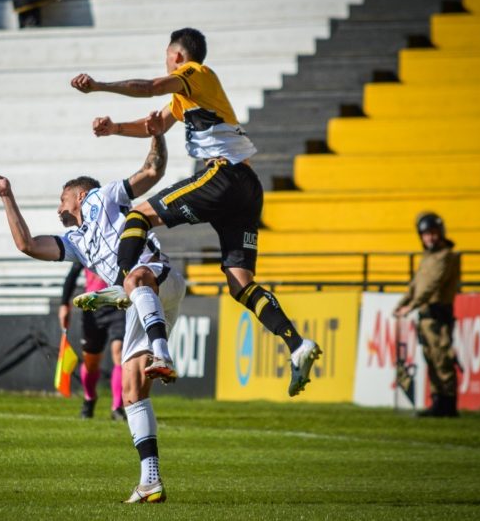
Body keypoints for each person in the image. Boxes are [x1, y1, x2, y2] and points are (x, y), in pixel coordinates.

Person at [70, 27, 321, 397]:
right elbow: (152, 124)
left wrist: (100, 86)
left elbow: (152, 86)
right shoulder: (185, 99)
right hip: (247, 190)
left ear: (177, 57)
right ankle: (297, 345)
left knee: (137, 215)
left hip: (225, 174)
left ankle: (120, 283)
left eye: (166, 57)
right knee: (240, 284)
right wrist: (114, 129)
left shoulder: (195, 75)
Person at [0, 128, 183, 503]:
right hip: (140, 302)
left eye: (61, 199)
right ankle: (150, 479)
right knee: (132, 392)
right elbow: (27, 245)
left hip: (158, 278)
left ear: (79, 194)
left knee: (134, 274)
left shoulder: (101, 198)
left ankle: (163, 355)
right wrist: (7, 195)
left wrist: (156, 134)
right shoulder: (77, 244)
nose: (58, 209)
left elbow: (152, 172)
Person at [394, 212, 461, 417]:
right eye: (426, 234)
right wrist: (402, 304)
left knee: (442, 358)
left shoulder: (446, 256)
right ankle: (437, 401)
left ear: (440, 233)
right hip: (426, 315)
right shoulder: (427, 257)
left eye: (433, 233)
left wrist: (411, 305)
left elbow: (431, 286)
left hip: (438, 314)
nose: (430, 238)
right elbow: (415, 285)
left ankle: (448, 404)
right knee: (430, 357)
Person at [60, 262, 126, 421]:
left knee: (119, 351)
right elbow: (73, 274)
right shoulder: (88, 243)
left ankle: (117, 407)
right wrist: (64, 304)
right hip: (92, 307)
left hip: (118, 304)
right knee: (91, 362)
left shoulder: (124, 244)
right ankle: (89, 397)